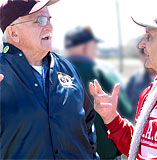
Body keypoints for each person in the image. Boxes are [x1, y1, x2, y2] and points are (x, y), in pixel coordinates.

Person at [89, 3, 157, 160]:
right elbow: (138, 149)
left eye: (149, 36)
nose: (141, 44)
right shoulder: (151, 93)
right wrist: (111, 118)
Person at [0, 0, 99, 159]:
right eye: (39, 20)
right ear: (13, 33)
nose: (49, 27)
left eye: (49, 19)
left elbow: (87, 123)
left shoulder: (67, 68)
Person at [64, 26, 133, 159]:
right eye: (93, 46)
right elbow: (126, 110)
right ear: (85, 47)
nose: (95, 51)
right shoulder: (98, 71)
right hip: (104, 151)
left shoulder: (54, 72)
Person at [126, 48, 157, 122]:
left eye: (149, 55)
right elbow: (128, 103)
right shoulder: (135, 79)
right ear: (140, 57)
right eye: (145, 55)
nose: (147, 58)